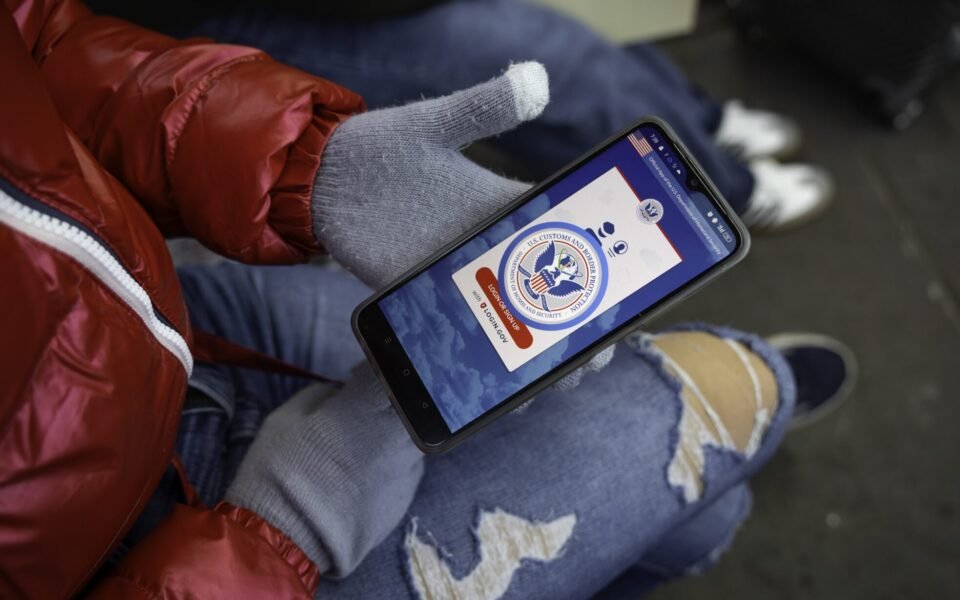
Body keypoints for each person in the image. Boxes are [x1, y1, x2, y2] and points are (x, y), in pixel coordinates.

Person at [0, 1, 854, 598]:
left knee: (691, 510)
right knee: (739, 395)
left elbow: (33, 41)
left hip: (171, 324)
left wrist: (304, 165)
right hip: (179, 553)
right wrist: (281, 528)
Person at [107, 0, 836, 235]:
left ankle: (701, 125)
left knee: (576, 44)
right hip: (232, 14)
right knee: (565, 71)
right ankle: (720, 199)